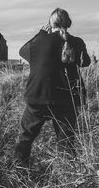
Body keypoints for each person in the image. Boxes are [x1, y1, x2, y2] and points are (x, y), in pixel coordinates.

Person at [15, 8, 91, 165]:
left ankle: (19, 169)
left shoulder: (40, 42)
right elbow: (86, 62)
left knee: (26, 137)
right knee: (66, 142)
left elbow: (22, 51)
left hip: (38, 97)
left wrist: (40, 33)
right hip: (67, 99)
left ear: (50, 23)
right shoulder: (77, 42)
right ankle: (67, 176)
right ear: (68, 23)